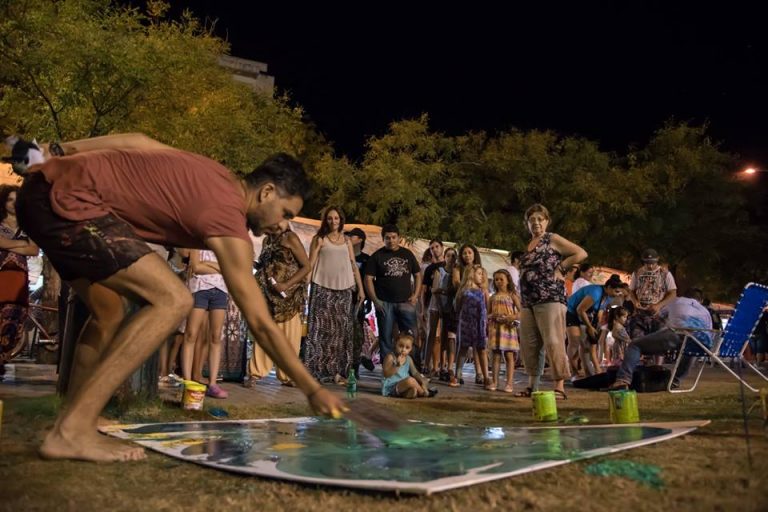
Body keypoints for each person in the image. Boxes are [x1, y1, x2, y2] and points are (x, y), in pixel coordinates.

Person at [15, 133, 344, 462]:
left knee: (108, 313)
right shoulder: (228, 216)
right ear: (267, 192)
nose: (284, 225)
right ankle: (71, 430)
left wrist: (59, 150)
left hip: (42, 190)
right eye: (286, 213)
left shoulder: (215, 173)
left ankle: (75, 419)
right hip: (68, 202)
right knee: (173, 299)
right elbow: (258, 321)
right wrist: (311, 388)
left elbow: (138, 142)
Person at [517, 203, 587, 399]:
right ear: (527, 224)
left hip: (549, 298)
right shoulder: (529, 245)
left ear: (547, 221)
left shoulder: (551, 239)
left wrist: (562, 268)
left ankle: (559, 387)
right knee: (530, 344)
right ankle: (533, 385)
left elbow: (580, 253)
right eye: (532, 220)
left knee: (553, 341)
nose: (536, 223)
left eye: (540, 219)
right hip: (528, 301)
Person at [305, 206, 365, 384]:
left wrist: (360, 288)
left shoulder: (347, 241)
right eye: (330, 218)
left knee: (340, 333)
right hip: (322, 288)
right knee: (319, 332)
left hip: (344, 290)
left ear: (341, 220)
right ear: (326, 220)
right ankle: (316, 371)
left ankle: (338, 373)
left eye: (336, 218)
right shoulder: (320, 239)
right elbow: (311, 263)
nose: (333, 221)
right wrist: (304, 286)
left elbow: (353, 265)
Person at [610, 289, 713, 390]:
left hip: (677, 335)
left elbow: (658, 317)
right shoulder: (705, 311)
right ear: (701, 300)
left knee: (634, 345)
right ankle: (675, 381)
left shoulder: (676, 301)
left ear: (684, 296)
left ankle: (623, 380)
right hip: (701, 343)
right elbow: (710, 332)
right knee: (692, 347)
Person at [247, 221, 310, 387]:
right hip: (268, 293)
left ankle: (288, 375)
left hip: (288, 294)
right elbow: (264, 264)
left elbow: (306, 266)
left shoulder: (291, 238)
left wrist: (286, 285)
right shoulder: (268, 240)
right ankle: (256, 372)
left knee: (290, 336)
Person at [364, 224, 422, 362]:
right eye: (387, 238)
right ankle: (387, 371)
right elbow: (368, 279)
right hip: (385, 303)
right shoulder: (377, 256)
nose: (391, 240)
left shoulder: (407, 254)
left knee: (411, 335)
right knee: (385, 337)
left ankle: (412, 369)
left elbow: (418, 275)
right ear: (383, 239)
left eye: (394, 237)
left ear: (399, 238)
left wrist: (415, 295)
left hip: (406, 302)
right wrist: (375, 300)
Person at [0, 185, 39, 365]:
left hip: (18, 280)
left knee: (14, 322)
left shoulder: (28, 225)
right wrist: (21, 244)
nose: (13, 204)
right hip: (2, 276)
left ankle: (3, 359)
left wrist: (8, 244)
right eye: (10, 200)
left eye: (17, 200)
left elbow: (34, 250)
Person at [565, 275, 626, 376]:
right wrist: (589, 327)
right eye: (616, 291)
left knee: (587, 344)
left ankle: (589, 372)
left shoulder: (609, 296)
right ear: (609, 288)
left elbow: (600, 310)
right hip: (572, 312)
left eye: (619, 292)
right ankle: (573, 370)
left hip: (586, 314)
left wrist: (596, 327)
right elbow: (580, 310)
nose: (618, 294)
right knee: (575, 341)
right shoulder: (596, 292)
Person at [451, 264, 491, 388]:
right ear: (471, 274)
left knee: (481, 349)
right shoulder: (464, 291)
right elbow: (457, 306)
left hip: (480, 323)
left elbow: (487, 307)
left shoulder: (483, 291)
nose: (481, 276)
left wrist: (486, 323)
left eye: (482, 274)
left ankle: (486, 377)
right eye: (479, 274)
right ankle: (458, 374)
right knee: (462, 348)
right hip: (466, 322)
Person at [627, 248, 677, 338]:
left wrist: (659, 305)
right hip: (640, 315)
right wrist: (635, 301)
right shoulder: (637, 273)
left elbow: (673, 293)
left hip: (659, 315)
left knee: (657, 344)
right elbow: (631, 291)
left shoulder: (665, 273)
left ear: (657, 260)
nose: (650, 266)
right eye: (647, 263)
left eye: (652, 263)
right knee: (638, 342)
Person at [488, 269, 521, 393]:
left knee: (509, 355)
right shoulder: (493, 297)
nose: (499, 282)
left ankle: (509, 383)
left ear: (508, 280)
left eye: (501, 279)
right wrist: (493, 316)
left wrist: (512, 317)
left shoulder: (512, 295)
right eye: (496, 279)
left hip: (508, 328)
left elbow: (521, 311)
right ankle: (495, 382)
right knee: (496, 355)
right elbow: (488, 313)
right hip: (496, 328)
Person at [381, 333, 435, 398]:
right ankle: (423, 392)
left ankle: (413, 393)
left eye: (407, 348)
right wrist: (397, 366)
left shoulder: (408, 359)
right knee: (410, 380)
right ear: (395, 344)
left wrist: (422, 379)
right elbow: (386, 374)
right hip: (391, 387)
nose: (403, 350)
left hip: (403, 386)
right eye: (401, 346)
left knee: (414, 390)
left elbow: (415, 372)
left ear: (411, 349)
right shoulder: (390, 357)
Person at [420, 239, 445, 376]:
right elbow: (424, 290)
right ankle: (432, 365)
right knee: (433, 336)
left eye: (436, 246)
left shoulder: (449, 266)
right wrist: (423, 308)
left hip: (446, 306)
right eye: (432, 248)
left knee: (445, 337)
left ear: (442, 247)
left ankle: (442, 366)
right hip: (432, 305)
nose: (434, 249)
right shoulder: (429, 268)